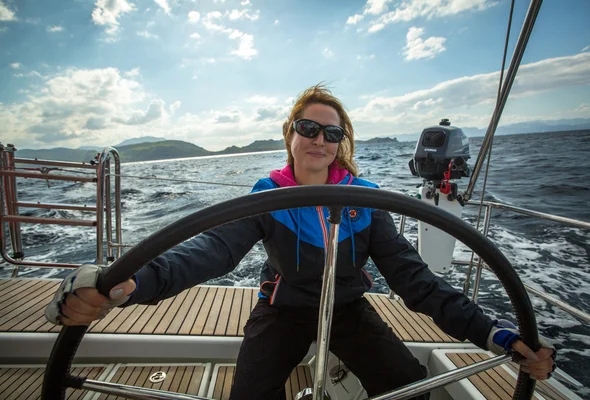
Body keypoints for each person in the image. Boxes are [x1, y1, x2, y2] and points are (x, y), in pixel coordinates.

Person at [46, 84, 555, 400]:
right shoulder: (264, 198)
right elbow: (212, 250)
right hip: (282, 309)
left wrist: (500, 337)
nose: (319, 139)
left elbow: (416, 283)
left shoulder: (369, 202)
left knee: (406, 388)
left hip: (351, 309)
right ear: (290, 132)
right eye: (308, 127)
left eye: (331, 133)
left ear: (342, 143)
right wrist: (128, 283)